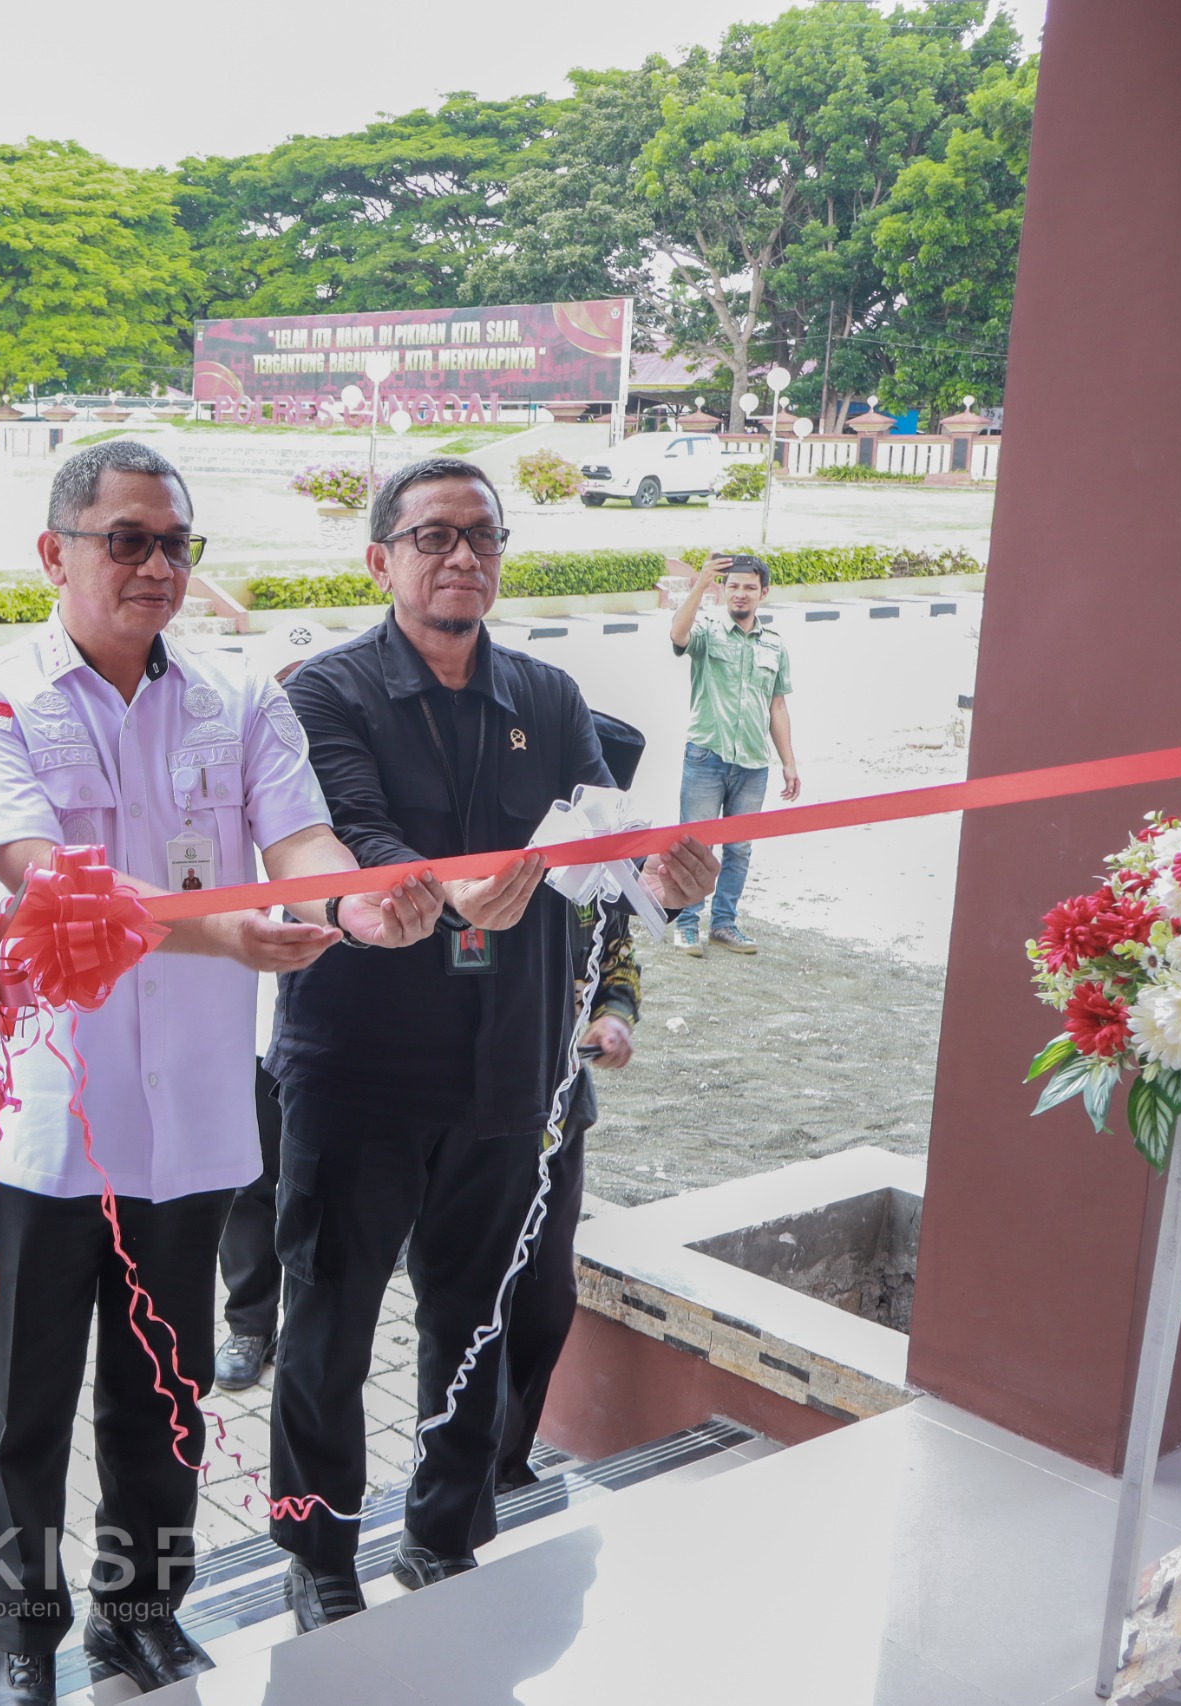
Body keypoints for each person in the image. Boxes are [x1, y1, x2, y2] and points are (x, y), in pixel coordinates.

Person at [0, 443, 422, 1706]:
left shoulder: (237, 694)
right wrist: (219, 930)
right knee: (25, 1406)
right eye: (128, 539)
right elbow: (39, 873)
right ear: (54, 553)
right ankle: (21, 1632)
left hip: (195, 1113)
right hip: (49, 1119)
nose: (157, 566)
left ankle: (141, 1610)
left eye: (175, 543)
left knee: (162, 1388)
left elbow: (302, 834)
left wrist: (358, 902)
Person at [263, 456, 715, 1624]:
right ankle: (317, 1553)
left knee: (477, 1315)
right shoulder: (325, 694)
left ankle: (446, 1532)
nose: (462, 555)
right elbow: (349, 835)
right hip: (360, 1066)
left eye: (482, 536)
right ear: (380, 559)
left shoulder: (547, 698)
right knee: (328, 1322)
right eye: (433, 536)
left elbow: (603, 839)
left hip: (508, 1063)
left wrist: (664, 875)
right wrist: (439, 890)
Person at [494, 710, 646, 1493]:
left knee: (547, 1297)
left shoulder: (605, 881)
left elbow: (619, 956)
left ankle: (508, 1458)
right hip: (489, 1106)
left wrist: (615, 1015)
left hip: (562, 1108)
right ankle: (464, 1460)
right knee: (480, 1293)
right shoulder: (508, 866)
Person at [216, 620, 351, 1396]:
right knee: (252, 1177)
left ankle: (309, 1323)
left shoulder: (357, 779)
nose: (300, 705)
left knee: (323, 1182)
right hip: (254, 1016)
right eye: (287, 686)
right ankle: (248, 1321)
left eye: (314, 682)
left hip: (332, 1025)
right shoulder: (231, 775)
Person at [667, 552, 800, 955]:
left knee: (739, 849)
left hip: (753, 765)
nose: (740, 593)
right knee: (696, 846)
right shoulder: (707, 631)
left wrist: (789, 763)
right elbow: (677, 634)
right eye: (733, 586)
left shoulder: (774, 645)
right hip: (707, 756)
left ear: (764, 593)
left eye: (749, 587)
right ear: (723, 590)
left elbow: (778, 706)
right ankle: (686, 924)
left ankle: (723, 924)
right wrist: (700, 584)